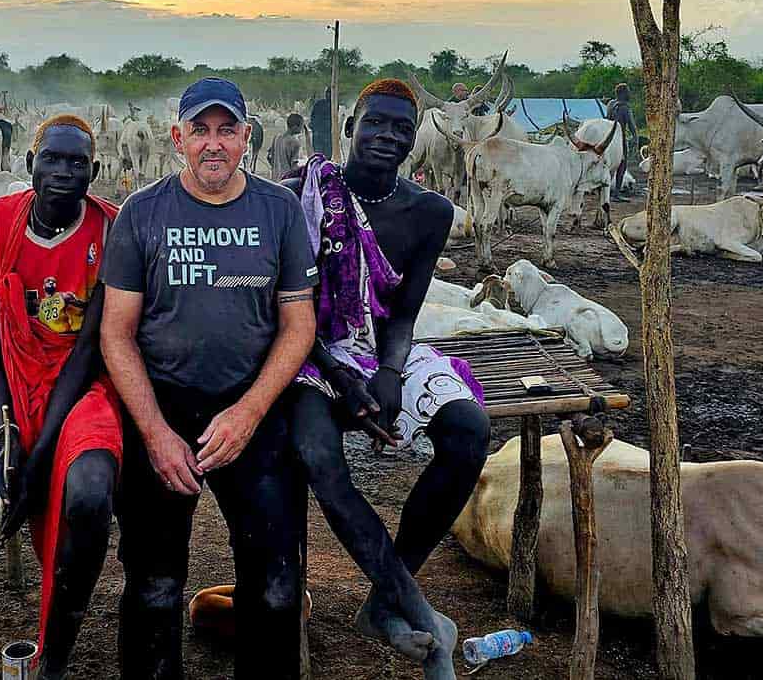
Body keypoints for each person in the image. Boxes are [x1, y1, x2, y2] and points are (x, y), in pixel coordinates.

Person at [100, 76, 318, 680]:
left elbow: (298, 325)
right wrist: (153, 432)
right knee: (154, 584)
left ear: (247, 137)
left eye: (227, 130)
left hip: (251, 411)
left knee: (274, 582)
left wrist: (249, 413)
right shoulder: (143, 213)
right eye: (200, 130)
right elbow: (116, 333)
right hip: (164, 411)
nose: (213, 144)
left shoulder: (278, 211)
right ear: (177, 139)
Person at [288, 78, 490, 678]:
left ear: (414, 139)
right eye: (375, 123)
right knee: (318, 457)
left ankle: (383, 601)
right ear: (352, 125)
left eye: (402, 128)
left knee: (468, 432)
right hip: (310, 350)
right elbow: (290, 305)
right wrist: (345, 380)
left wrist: (393, 373)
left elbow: (402, 313)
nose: (387, 136)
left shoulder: (430, 212)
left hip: (379, 346)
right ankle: (415, 604)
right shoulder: (302, 193)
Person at [0, 115, 123, 680]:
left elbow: (92, 346)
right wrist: (5, 431)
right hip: (7, 393)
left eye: (77, 163)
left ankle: (55, 661)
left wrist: (41, 452)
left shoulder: (110, 230)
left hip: (83, 390)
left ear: (93, 172)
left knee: (91, 498)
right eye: (53, 159)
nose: (64, 172)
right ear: (30, 165)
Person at [605, 83, 638, 201]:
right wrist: (636, 138)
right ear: (623, 93)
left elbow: (606, 119)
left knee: (608, 166)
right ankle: (616, 193)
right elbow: (631, 125)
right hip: (620, 139)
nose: (629, 94)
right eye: (628, 92)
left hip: (608, 138)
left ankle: (606, 192)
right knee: (622, 166)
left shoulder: (610, 104)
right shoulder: (624, 107)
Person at [269, 112, 306, 180]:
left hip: (275, 178)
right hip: (287, 180)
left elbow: (270, 157)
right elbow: (294, 166)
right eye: (301, 126)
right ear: (295, 127)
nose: (302, 129)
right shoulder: (295, 142)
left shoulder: (277, 137)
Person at [309, 86, 332, 156]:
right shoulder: (319, 104)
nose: (328, 95)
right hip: (319, 134)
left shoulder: (334, 105)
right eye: (327, 92)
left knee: (327, 155)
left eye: (330, 93)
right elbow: (312, 117)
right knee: (319, 154)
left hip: (326, 134)